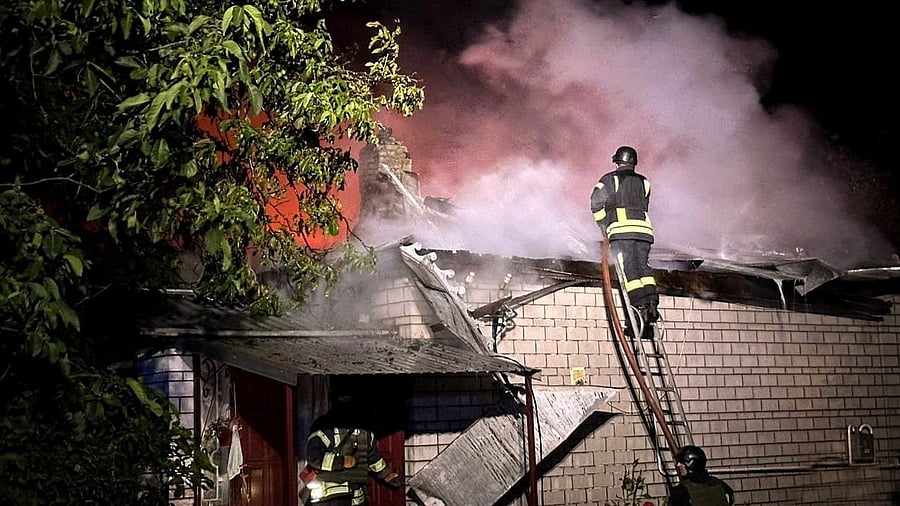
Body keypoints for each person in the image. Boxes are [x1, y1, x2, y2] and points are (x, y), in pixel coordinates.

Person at [590, 145, 660, 324]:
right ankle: (651, 303)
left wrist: (604, 224)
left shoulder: (609, 179)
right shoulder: (645, 182)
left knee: (628, 269)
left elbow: (596, 202)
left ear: (617, 161)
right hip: (644, 232)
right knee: (643, 267)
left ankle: (638, 310)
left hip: (621, 232)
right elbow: (644, 205)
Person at [303, 396, 402, 505]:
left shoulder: (366, 431)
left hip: (356, 497)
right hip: (328, 497)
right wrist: (341, 462)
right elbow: (314, 456)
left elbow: (374, 459)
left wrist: (387, 475)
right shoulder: (324, 426)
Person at [669, 445, 735, 506]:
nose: (678, 465)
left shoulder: (681, 491)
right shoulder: (721, 485)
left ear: (691, 463)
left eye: (682, 461)